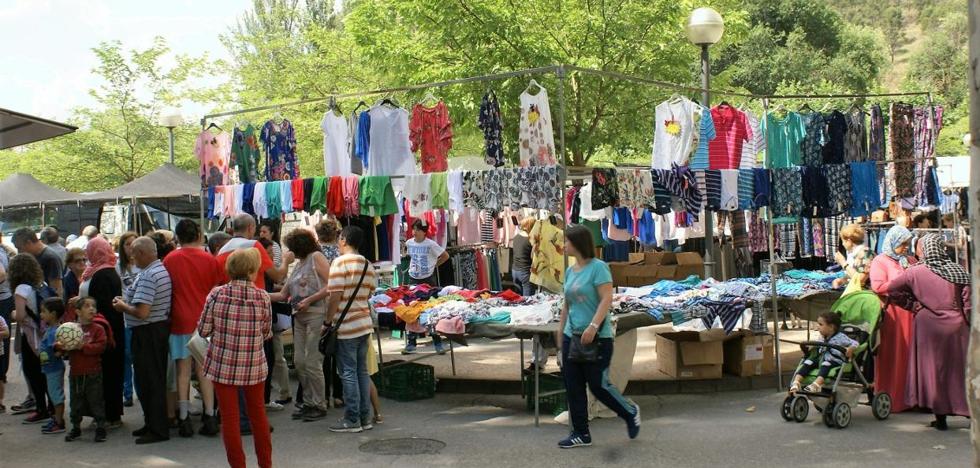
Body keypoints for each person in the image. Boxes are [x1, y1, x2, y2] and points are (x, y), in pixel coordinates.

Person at [556, 225, 639, 449]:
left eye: (567, 241)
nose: (563, 245)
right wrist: (559, 338)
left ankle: (629, 412)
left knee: (598, 385)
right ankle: (581, 433)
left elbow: (606, 298)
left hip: (598, 336)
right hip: (571, 336)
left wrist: (593, 326)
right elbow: (567, 305)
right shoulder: (570, 271)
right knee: (573, 386)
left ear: (577, 243)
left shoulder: (599, 268)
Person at [888, 234, 972, 431]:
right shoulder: (959, 271)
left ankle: (940, 418)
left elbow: (892, 290)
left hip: (928, 327)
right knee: (959, 371)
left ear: (924, 249)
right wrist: (969, 323)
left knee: (933, 372)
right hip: (957, 328)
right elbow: (968, 303)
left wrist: (913, 305)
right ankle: (969, 413)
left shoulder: (915, 272)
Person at [198, 248, 273, 468]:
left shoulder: (216, 294)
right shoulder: (262, 297)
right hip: (253, 365)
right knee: (258, 416)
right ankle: (266, 464)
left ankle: (238, 465)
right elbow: (266, 332)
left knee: (230, 419)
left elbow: (203, 330)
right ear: (252, 270)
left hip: (223, 365)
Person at [162, 219, 222, 437]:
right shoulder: (209, 259)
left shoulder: (170, 259)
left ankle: (184, 417)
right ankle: (209, 414)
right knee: (205, 370)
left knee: (182, 371)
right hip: (205, 321)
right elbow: (216, 289)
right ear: (198, 234)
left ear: (177, 236)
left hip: (179, 320)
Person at [111, 237, 172, 444]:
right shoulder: (157, 270)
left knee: (150, 381)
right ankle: (152, 423)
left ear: (144, 253)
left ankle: (157, 429)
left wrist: (123, 307)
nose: (132, 257)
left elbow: (142, 312)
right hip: (154, 331)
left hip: (148, 332)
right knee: (150, 379)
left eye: (135, 253)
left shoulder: (149, 275)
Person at [270, 229, 331, 422]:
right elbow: (283, 294)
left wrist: (310, 299)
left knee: (312, 361)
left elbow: (332, 285)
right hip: (299, 316)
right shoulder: (298, 265)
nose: (290, 251)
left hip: (316, 314)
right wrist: (255, 294)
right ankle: (308, 402)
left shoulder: (316, 257)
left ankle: (319, 403)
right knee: (299, 361)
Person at [326, 226, 378, 433]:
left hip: (346, 327)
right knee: (361, 372)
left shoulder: (339, 263)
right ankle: (365, 418)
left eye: (340, 238)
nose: (338, 241)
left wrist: (327, 321)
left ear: (345, 239)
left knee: (348, 373)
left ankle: (352, 419)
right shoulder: (367, 264)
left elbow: (335, 295)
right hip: (364, 324)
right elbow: (369, 293)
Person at [868, 225, 917, 412]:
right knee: (894, 354)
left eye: (907, 243)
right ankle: (893, 399)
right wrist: (904, 282)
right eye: (903, 243)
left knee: (910, 355)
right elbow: (878, 286)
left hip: (911, 313)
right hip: (893, 315)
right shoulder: (880, 261)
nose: (906, 247)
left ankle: (912, 398)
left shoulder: (909, 260)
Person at [78, 237, 125, 428]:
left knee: (106, 374)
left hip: (105, 332)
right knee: (106, 373)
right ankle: (107, 414)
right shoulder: (101, 270)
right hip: (107, 330)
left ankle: (109, 415)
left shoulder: (103, 274)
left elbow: (104, 306)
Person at [10, 253, 54, 424]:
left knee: (33, 373)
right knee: (46, 372)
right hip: (45, 332)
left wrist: (12, 313)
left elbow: (20, 315)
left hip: (31, 336)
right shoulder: (40, 284)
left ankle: (41, 409)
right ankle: (52, 407)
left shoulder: (21, 289)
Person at [64, 296, 109, 443]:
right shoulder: (70, 329)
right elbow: (61, 345)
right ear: (77, 311)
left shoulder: (98, 329)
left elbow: (101, 347)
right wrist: (59, 347)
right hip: (76, 373)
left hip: (93, 372)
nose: (91, 309)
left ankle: (101, 427)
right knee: (75, 402)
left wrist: (82, 346)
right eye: (87, 306)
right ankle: (76, 428)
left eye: (93, 306)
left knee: (96, 400)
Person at [403, 219, 448, 355]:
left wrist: (433, 266)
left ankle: (437, 342)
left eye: (417, 229)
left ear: (424, 231)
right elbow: (408, 256)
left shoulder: (431, 244)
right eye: (413, 229)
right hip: (413, 279)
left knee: (430, 311)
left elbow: (445, 256)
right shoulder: (409, 243)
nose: (414, 232)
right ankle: (411, 343)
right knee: (412, 310)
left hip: (428, 280)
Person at [788, 312, 858, 394]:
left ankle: (817, 384)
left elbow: (855, 343)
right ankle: (796, 382)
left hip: (834, 360)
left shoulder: (841, 337)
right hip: (820, 358)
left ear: (831, 327)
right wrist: (811, 347)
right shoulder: (821, 337)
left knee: (826, 364)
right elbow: (818, 346)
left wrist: (851, 348)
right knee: (808, 362)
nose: (818, 327)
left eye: (821, 324)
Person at [314, 219, 343, 408]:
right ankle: (338, 395)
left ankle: (324, 395)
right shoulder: (341, 253)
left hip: (321, 303)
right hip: (339, 303)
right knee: (338, 352)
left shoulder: (316, 254)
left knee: (323, 351)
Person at [114, 231, 139, 408]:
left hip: (140, 315)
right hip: (124, 317)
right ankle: (127, 392)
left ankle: (139, 390)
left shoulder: (143, 265)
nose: (131, 246)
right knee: (126, 356)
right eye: (127, 243)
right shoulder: (118, 267)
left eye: (134, 243)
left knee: (137, 358)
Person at [38, 297, 67, 435]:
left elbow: (59, 350)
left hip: (54, 369)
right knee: (53, 394)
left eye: (44, 311)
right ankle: (56, 418)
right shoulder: (51, 329)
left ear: (53, 314)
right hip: (50, 368)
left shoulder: (55, 331)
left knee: (56, 395)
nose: (41, 314)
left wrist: (56, 352)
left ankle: (59, 422)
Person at [12, 228, 64, 297]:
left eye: (19, 248)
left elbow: (56, 289)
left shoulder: (50, 258)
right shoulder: (33, 256)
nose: (19, 252)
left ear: (29, 243)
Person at [831, 224, 872, 293]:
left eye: (843, 241)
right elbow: (853, 274)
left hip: (866, 295)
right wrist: (841, 281)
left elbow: (860, 280)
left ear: (849, 241)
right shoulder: (854, 253)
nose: (843, 244)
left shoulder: (866, 254)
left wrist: (843, 263)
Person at [0, 234, 14, 412]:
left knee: (2, 341)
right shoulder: (3, 250)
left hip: (2, 300)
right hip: (5, 299)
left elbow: (1, 274)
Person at [511, 217, 537, 296]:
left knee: (518, 302)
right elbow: (534, 257)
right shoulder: (530, 240)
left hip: (515, 271)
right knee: (528, 302)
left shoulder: (516, 237)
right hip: (525, 273)